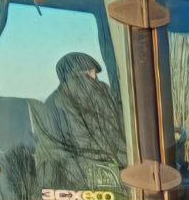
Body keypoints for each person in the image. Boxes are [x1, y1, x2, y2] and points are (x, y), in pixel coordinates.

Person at [36, 52, 126, 191]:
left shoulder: (52, 104)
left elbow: (53, 154)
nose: (95, 78)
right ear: (85, 73)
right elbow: (123, 143)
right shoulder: (107, 96)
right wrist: (122, 177)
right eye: (93, 73)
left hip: (73, 191)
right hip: (118, 185)